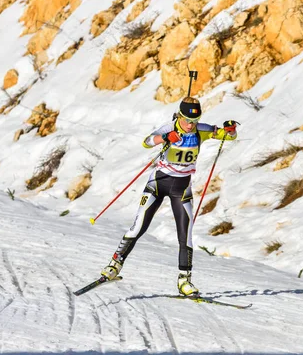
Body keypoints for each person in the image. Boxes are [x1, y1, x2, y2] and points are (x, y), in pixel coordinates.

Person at [101, 97, 238, 296]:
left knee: (186, 235)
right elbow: (147, 142)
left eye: (195, 120)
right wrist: (165, 138)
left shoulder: (201, 130)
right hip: (158, 184)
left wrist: (230, 129)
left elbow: (228, 136)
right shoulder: (169, 128)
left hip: (181, 189)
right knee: (139, 226)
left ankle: (184, 280)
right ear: (179, 116)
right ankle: (114, 265)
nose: (191, 125)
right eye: (187, 121)